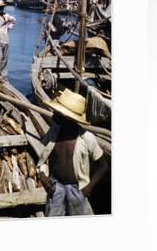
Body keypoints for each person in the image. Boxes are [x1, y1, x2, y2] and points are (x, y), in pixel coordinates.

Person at [37, 88, 108, 216]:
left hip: (77, 188)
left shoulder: (87, 138)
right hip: (55, 186)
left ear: (66, 117)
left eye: (57, 112)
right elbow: (44, 159)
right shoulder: (54, 132)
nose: (53, 114)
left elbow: (103, 166)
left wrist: (89, 187)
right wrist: (42, 175)